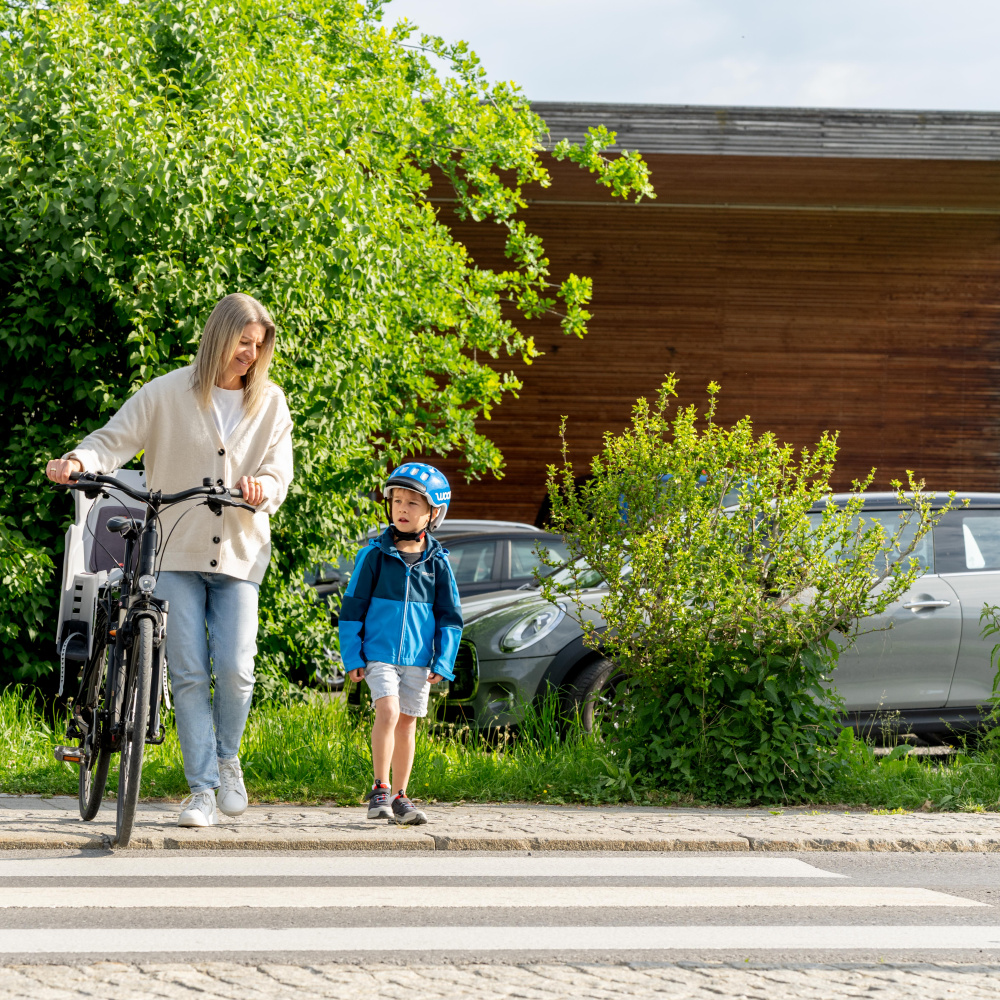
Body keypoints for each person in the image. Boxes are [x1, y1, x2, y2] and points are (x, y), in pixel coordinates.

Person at [44, 292, 293, 828]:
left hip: (240, 554)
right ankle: (202, 789)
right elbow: (113, 440)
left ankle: (228, 761)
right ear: (218, 336)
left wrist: (263, 487)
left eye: (258, 345)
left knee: (237, 669)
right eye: (242, 342)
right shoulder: (166, 392)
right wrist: (78, 460)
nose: (250, 354)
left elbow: (279, 471)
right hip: (175, 553)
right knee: (187, 672)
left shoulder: (270, 402)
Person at [338, 463, 463, 825]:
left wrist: (443, 661)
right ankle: (380, 787)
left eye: (412, 503)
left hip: (419, 659)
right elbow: (351, 611)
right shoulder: (373, 556)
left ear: (434, 513)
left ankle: (400, 796)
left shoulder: (438, 564)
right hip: (379, 654)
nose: (402, 509)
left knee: (407, 722)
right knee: (389, 711)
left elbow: (450, 617)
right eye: (397, 501)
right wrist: (353, 655)